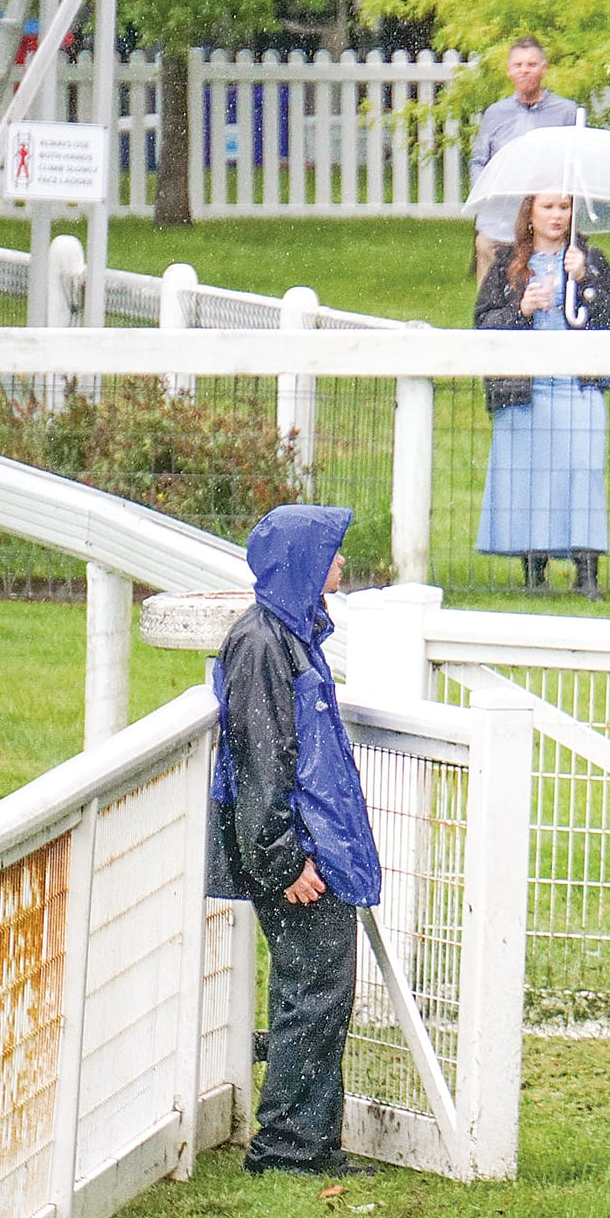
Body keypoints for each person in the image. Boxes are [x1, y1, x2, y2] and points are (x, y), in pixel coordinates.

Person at [207, 504, 381, 1177]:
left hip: (306, 849)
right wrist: (283, 862)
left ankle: (300, 1141)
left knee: (312, 989)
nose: (342, 562)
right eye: (334, 552)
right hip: (294, 857)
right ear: (306, 562)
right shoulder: (263, 644)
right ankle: (289, 1148)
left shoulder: (286, 634)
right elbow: (260, 763)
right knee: (314, 991)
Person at [473, 192, 610, 599]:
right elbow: (484, 323)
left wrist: (584, 281)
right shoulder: (508, 263)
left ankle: (587, 573)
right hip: (527, 389)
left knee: (582, 473)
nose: (557, 216)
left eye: (565, 207)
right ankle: (534, 574)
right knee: (532, 478)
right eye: (548, 207)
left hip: (577, 385)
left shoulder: (589, 260)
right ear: (531, 214)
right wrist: (520, 309)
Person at [468, 37, 579, 283]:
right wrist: (486, 192)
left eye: (531, 64)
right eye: (518, 65)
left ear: (544, 68)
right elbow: (478, 162)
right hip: (499, 222)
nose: (524, 70)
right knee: (492, 302)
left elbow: (575, 164)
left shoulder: (566, 112)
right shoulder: (496, 114)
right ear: (509, 71)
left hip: (545, 227)